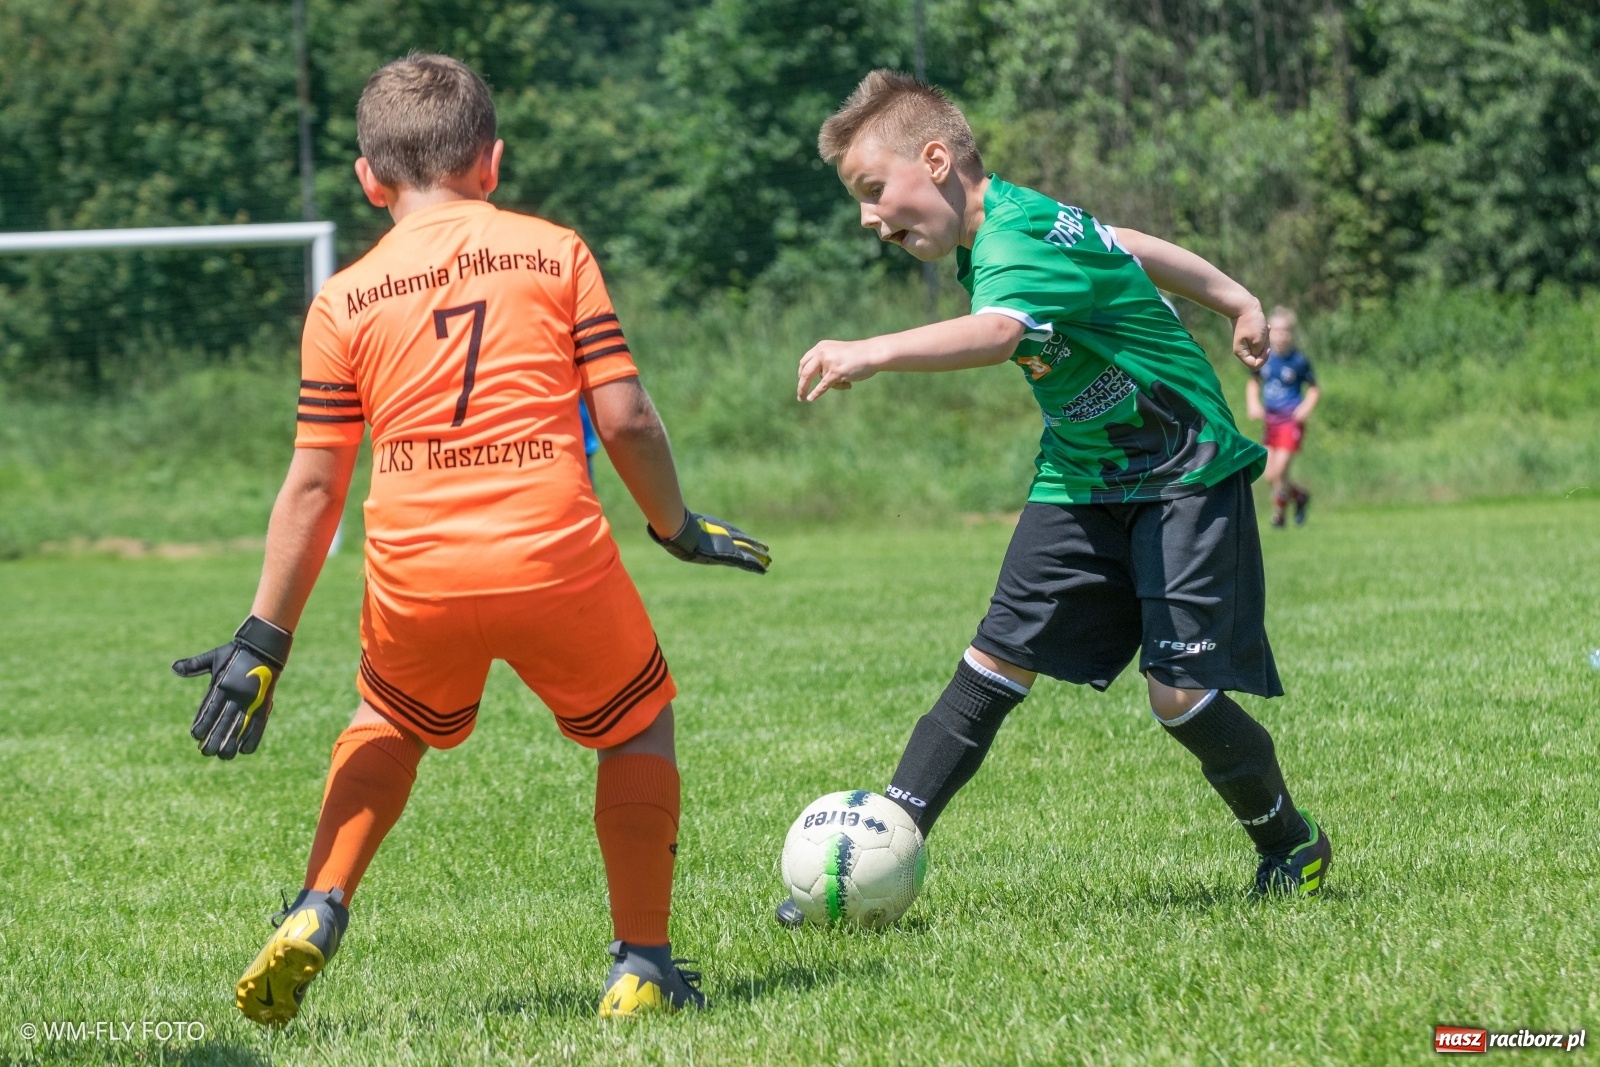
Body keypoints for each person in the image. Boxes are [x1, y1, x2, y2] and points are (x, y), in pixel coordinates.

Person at [172, 54, 768, 1025]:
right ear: (490, 163)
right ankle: (642, 963)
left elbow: (315, 482)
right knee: (635, 724)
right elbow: (624, 419)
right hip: (553, 553)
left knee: (388, 722)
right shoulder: (555, 250)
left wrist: (263, 635)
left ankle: (320, 903)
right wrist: (676, 525)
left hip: (417, 572)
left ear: (370, 180)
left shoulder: (344, 298)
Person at [777, 70, 1330, 926]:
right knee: (993, 659)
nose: (867, 217)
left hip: (1180, 466)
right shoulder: (1020, 220)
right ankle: (872, 856)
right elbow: (1125, 244)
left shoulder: (1008, 246)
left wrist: (874, 350)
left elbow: (999, 334)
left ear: (936, 160)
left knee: (1177, 695)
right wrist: (1231, 294)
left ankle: (1290, 843)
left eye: (873, 189)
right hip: (1081, 471)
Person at [1245, 307, 1319, 527]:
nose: (1281, 335)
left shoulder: (1299, 361)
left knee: (1280, 470)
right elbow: (1253, 382)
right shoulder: (1265, 357)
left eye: (1286, 331)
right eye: (1277, 331)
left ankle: (1278, 516)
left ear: (1292, 333)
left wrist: (1305, 408)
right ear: (1269, 332)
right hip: (1271, 421)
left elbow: (1314, 389)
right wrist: (1253, 403)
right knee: (1270, 475)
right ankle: (1299, 496)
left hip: (1291, 421)